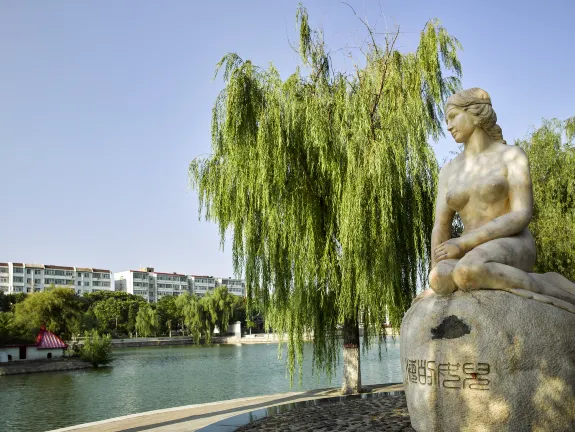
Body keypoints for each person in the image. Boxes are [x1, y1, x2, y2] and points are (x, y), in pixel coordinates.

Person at [426, 88, 575, 307]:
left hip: (512, 241)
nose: (448, 126)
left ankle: (552, 287)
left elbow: (522, 214)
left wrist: (463, 242)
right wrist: (434, 272)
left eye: (453, 116)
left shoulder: (511, 156)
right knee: (439, 278)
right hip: (465, 249)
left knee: (468, 271)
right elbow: (440, 226)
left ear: (476, 114)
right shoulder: (448, 170)